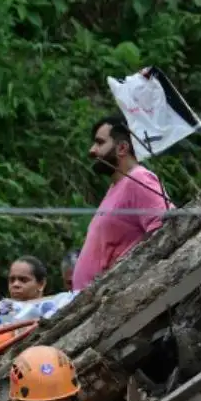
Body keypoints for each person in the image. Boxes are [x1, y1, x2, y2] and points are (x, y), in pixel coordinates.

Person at [70, 115, 171, 291]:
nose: (92, 150)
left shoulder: (139, 179)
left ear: (122, 148)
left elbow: (165, 233)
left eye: (100, 143)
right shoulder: (116, 187)